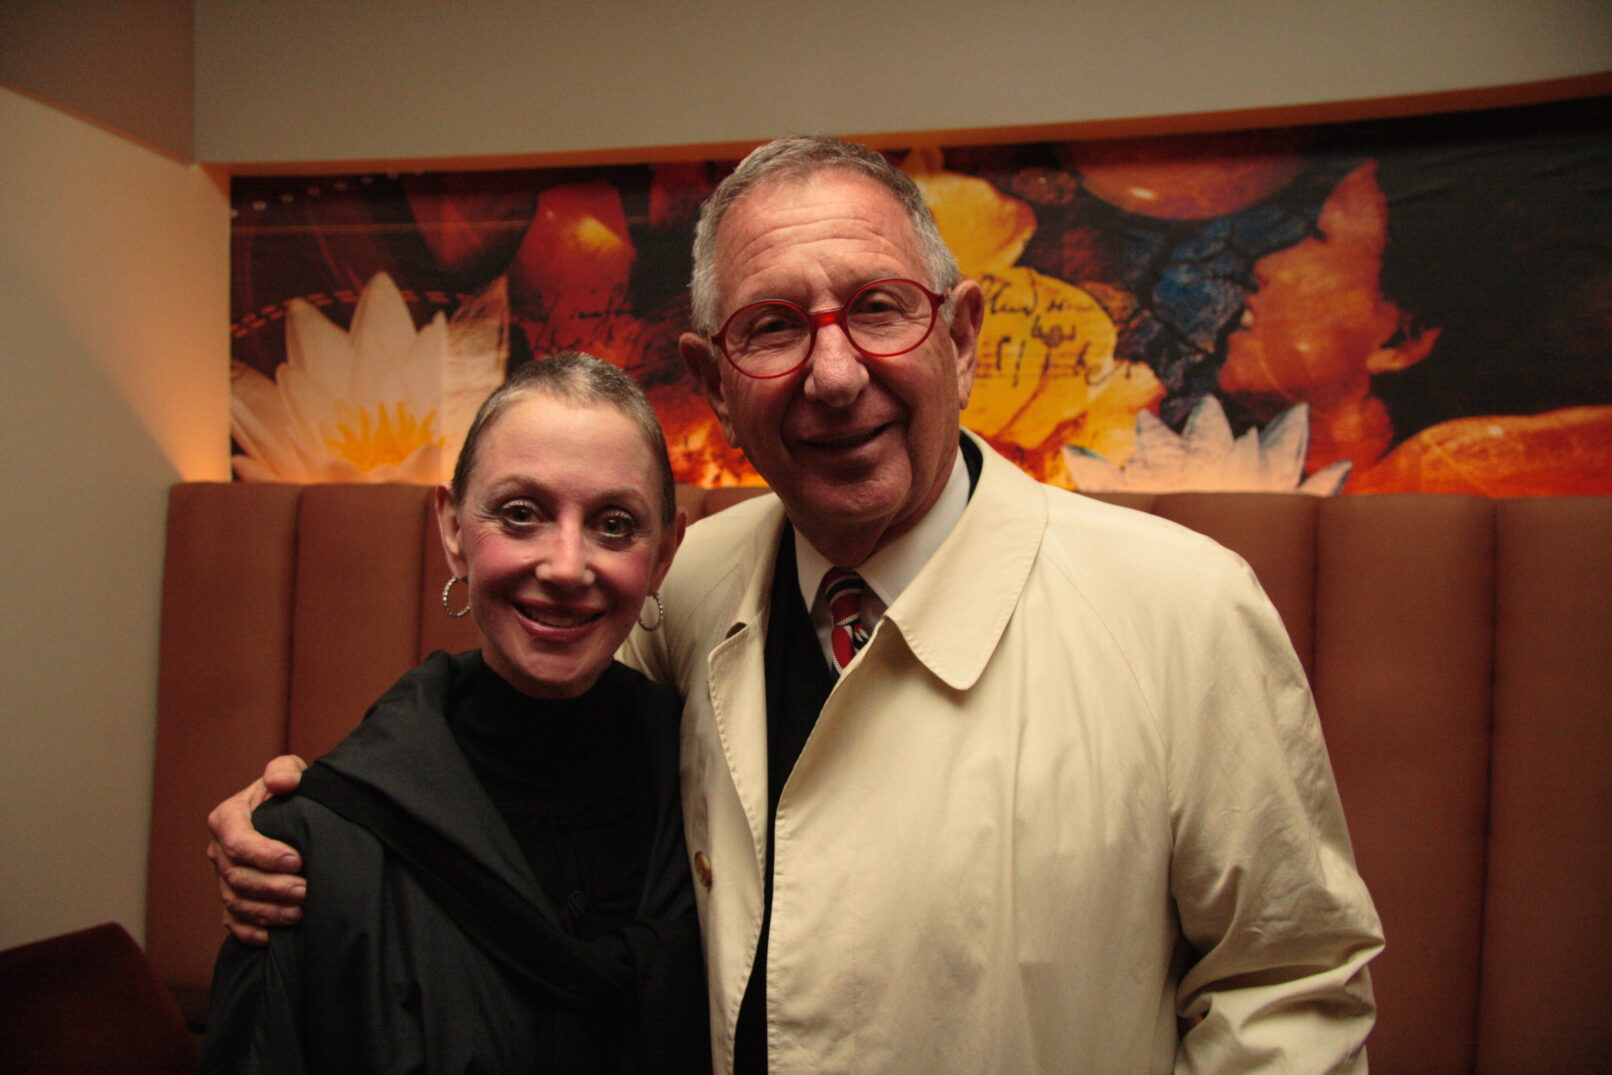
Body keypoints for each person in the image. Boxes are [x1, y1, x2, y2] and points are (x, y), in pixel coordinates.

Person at [210, 138, 1384, 1072]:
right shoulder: (683, 589)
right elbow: (533, 773)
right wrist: (315, 819)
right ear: (715, 385)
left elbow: (1285, 992)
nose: (832, 375)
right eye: (771, 328)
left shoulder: (1181, 613)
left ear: (961, 335)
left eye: (878, 308)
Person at [200, 352, 709, 1072]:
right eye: (521, 514)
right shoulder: (323, 843)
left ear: (664, 555)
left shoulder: (720, 794)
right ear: (452, 529)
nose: (566, 566)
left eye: (615, 524)